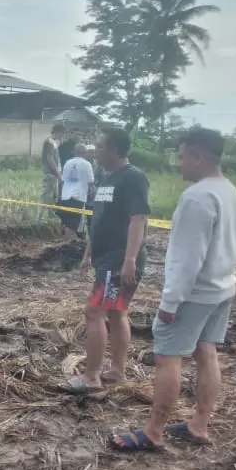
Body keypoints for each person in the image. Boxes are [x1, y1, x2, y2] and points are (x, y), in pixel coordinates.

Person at [112, 128, 236, 451]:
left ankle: (154, 432)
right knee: (206, 352)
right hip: (222, 289)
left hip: (194, 294)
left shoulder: (197, 197)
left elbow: (188, 259)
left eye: (183, 156)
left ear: (199, 157)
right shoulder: (232, 194)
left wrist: (170, 302)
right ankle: (198, 425)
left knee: (167, 357)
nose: (179, 163)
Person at [62, 127, 149, 394]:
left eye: (99, 147)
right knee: (117, 312)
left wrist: (130, 259)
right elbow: (100, 219)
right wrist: (89, 251)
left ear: (114, 150)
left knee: (93, 312)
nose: (94, 151)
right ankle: (116, 371)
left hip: (118, 260)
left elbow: (139, 219)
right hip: (105, 257)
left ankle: (91, 378)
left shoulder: (133, 178)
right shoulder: (106, 178)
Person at [57, 143, 95, 238]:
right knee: (73, 224)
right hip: (78, 196)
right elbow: (91, 181)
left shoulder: (67, 162)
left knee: (65, 222)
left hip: (65, 195)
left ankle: (61, 240)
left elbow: (63, 180)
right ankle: (68, 243)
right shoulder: (87, 164)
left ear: (75, 152)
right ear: (85, 153)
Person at [38, 123, 63, 220]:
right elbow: (50, 158)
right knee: (46, 196)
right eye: (61, 134)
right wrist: (57, 172)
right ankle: (39, 217)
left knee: (53, 196)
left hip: (54, 174)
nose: (61, 136)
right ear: (58, 132)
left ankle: (51, 216)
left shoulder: (54, 143)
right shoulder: (49, 142)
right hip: (50, 174)